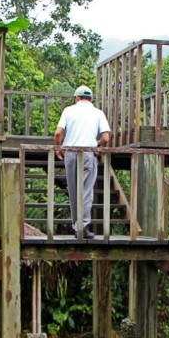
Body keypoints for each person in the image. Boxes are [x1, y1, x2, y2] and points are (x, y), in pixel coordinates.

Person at [53, 85, 111, 239]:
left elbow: (58, 133)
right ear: (91, 99)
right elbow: (106, 137)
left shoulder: (68, 111)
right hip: (87, 153)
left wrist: (58, 148)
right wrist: (97, 145)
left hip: (70, 153)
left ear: (76, 98)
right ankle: (83, 226)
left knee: (73, 190)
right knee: (86, 191)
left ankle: (76, 226)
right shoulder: (98, 113)